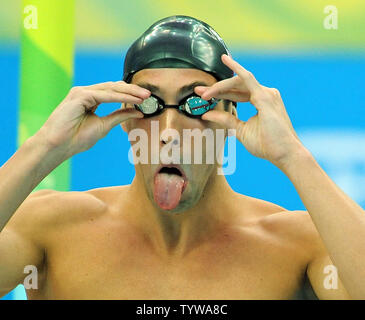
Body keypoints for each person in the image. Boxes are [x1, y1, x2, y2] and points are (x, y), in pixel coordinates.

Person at [0, 15, 364, 300]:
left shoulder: (293, 247)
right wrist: (44, 147)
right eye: (150, 103)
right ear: (126, 118)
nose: (170, 130)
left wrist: (294, 156)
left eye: (196, 103)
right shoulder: (52, 231)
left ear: (231, 116)